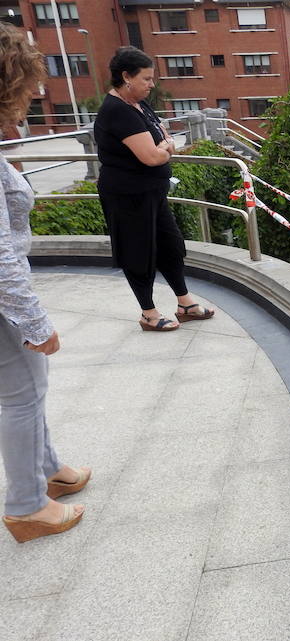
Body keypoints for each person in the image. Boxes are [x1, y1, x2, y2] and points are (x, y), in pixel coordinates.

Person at [0, 22, 90, 543]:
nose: (35, 92)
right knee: (22, 396)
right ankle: (26, 505)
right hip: (4, 304)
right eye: (29, 82)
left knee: (29, 391)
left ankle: (48, 470)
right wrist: (34, 321)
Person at [94, 46, 214, 332]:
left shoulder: (138, 104)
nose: (151, 84)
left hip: (153, 193)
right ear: (126, 77)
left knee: (171, 246)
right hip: (128, 196)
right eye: (146, 78)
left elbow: (164, 137)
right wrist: (164, 148)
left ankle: (185, 304)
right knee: (139, 252)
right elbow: (152, 155)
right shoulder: (117, 111)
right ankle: (148, 313)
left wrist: (163, 146)